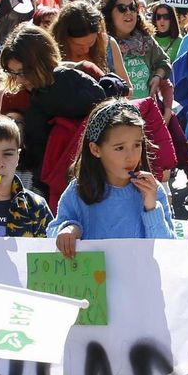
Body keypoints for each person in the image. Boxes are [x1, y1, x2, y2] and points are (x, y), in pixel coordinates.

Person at [47, 99, 176, 258]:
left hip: (139, 281)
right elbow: (53, 232)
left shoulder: (153, 191)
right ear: (95, 149)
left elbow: (168, 250)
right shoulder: (78, 191)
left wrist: (151, 207)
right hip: (95, 282)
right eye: (120, 148)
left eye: (137, 145)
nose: (131, 157)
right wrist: (68, 229)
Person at [0, 25, 107, 199]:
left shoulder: (85, 73)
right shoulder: (14, 96)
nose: (19, 79)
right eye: (13, 72)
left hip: (89, 180)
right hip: (40, 188)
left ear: (42, 61)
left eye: (24, 72)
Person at [100, 0, 169, 100]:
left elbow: (164, 61)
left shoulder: (146, 41)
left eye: (132, 7)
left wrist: (157, 76)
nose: (129, 12)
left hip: (146, 112)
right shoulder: (103, 44)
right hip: (120, 113)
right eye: (122, 8)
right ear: (109, 13)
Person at [53, 0, 130, 86]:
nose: (86, 50)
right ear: (63, 39)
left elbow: (128, 88)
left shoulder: (109, 44)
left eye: (90, 43)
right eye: (78, 45)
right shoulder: (50, 53)